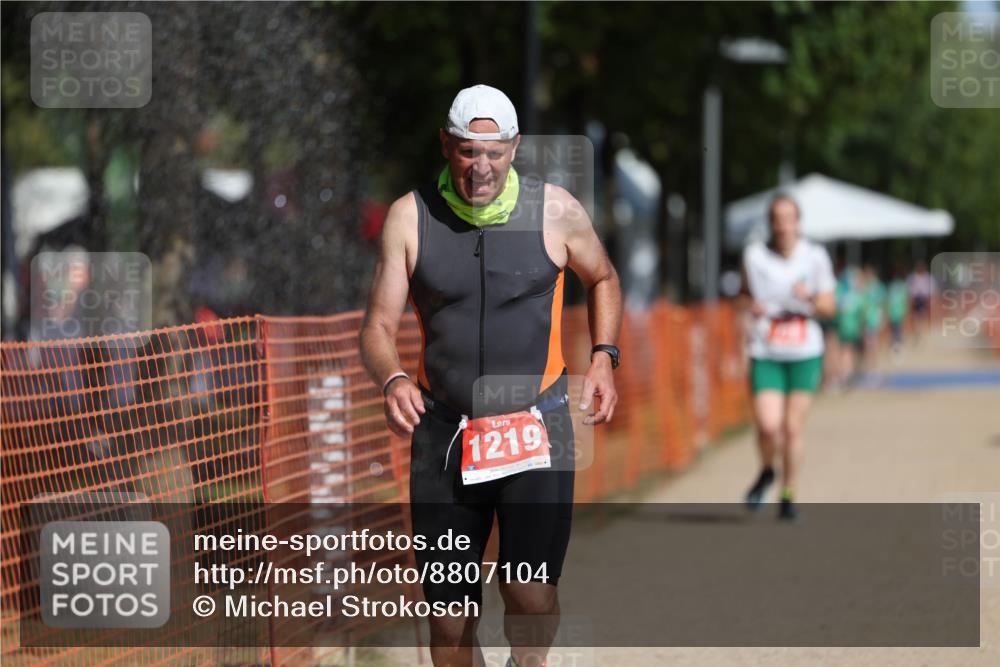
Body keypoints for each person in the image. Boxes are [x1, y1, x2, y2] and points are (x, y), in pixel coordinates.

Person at [360, 84, 622, 667]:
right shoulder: (411, 216)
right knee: (449, 618)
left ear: (514, 147)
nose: (481, 166)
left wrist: (604, 355)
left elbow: (602, 276)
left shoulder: (555, 211)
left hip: (538, 428)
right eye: (467, 151)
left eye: (494, 152)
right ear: (447, 145)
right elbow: (377, 325)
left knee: (527, 594)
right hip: (447, 433)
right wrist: (393, 380)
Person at [739, 195, 836, 520]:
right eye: (777, 219)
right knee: (768, 427)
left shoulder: (815, 256)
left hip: (804, 351)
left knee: (792, 428)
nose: (782, 226)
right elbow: (742, 297)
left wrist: (807, 297)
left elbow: (829, 306)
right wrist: (748, 308)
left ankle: (788, 493)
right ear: (771, 223)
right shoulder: (754, 256)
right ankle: (767, 469)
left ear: (798, 222)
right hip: (766, 350)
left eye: (788, 218)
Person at [834, 266, 864, 387]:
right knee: (848, 352)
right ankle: (847, 373)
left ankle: (845, 374)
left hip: (843, 328)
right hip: (852, 328)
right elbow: (861, 313)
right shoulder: (856, 296)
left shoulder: (841, 294)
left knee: (844, 352)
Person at [886, 265, 910, 356]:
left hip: (899, 313)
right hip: (894, 313)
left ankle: (899, 347)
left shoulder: (901, 286)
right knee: (894, 331)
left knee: (899, 330)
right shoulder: (892, 286)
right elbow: (888, 300)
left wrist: (906, 311)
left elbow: (905, 300)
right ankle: (895, 347)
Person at [907, 261, 934, 340]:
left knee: (922, 315)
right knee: (916, 316)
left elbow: (931, 289)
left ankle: (921, 330)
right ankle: (918, 331)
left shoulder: (927, 277)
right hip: (916, 299)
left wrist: (929, 300)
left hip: (924, 299)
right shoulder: (913, 277)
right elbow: (910, 289)